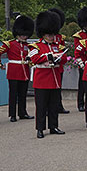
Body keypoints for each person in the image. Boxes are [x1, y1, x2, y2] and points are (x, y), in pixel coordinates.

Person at [29, 11, 66, 139]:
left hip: (54, 79)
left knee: (53, 106)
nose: (52, 37)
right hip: (42, 80)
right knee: (41, 107)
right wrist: (49, 56)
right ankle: (40, 129)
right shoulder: (35, 46)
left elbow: (65, 58)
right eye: (49, 34)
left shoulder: (57, 46)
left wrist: (59, 58)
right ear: (43, 34)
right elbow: (34, 58)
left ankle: (53, 126)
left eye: (53, 34)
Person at [0, 15, 35, 122]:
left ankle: (23, 113)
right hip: (13, 71)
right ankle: (12, 115)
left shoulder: (29, 45)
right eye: (22, 35)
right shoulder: (10, 44)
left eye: (25, 35)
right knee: (13, 94)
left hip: (24, 70)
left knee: (22, 94)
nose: (24, 37)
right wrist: (0, 65)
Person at [48, 8, 70, 114]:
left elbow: (62, 50)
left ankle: (58, 105)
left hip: (58, 67)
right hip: (47, 67)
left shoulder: (60, 37)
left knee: (58, 87)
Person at [74, 6, 87, 112]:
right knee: (82, 85)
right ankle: (80, 103)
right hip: (83, 63)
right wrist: (81, 65)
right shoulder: (79, 35)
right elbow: (78, 51)